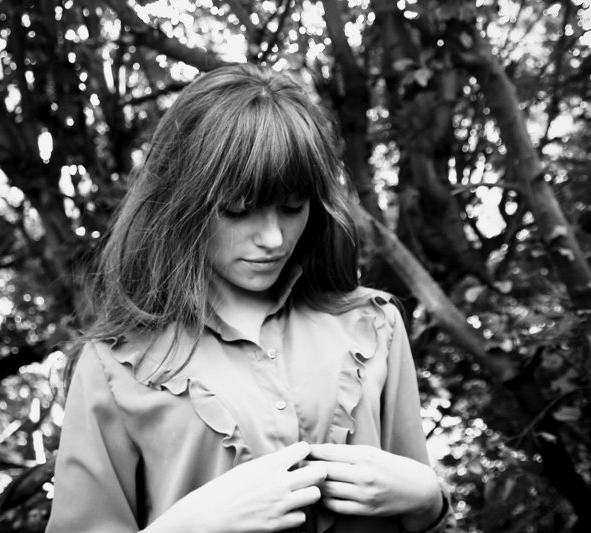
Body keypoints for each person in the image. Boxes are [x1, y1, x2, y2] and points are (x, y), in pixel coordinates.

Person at [46, 63, 452, 533]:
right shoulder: (113, 366)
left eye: (293, 208)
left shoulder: (374, 324)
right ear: (182, 202)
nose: (274, 238)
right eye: (239, 210)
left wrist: (427, 498)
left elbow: (418, 507)